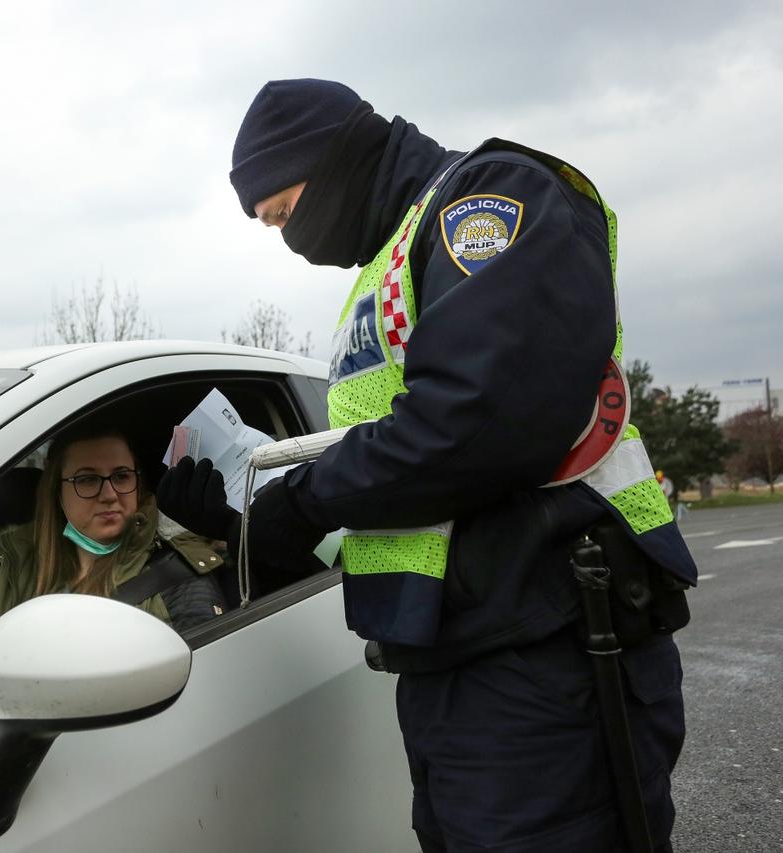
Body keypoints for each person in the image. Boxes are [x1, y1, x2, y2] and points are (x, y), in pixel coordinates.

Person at [158, 79, 697, 851]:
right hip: (456, 663)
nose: (289, 239)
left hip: (554, 644)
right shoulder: (384, 273)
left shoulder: (487, 199)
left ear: (337, 160)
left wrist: (307, 501)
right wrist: (247, 523)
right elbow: (405, 505)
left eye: (284, 213)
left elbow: (475, 423)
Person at [0, 422, 228, 632]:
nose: (109, 494)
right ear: (56, 490)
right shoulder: (16, 565)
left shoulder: (178, 579)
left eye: (121, 476)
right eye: (87, 480)